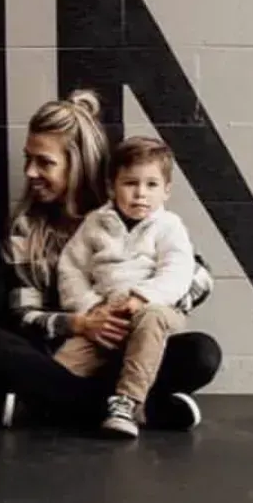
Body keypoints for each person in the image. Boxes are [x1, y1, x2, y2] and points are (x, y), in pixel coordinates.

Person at [0, 90, 221, 431]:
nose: (30, 172)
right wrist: (83, 321)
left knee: (202, 353)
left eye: (45, 162)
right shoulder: (27, 227)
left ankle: (53, 406)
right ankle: (131, 408)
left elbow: (197, 277)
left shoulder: (134, 206)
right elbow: (23, 315)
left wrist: (136, 308)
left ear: (76, 163)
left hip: (136, 340)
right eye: (28, 160)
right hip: (70, 348)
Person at [54, 136, 197, 438]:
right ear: (112, 187)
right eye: (130, 183)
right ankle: (51, 402)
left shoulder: (169, 226)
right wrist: (91, 307)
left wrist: (142, 297)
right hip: (107, 314)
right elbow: (71, 269)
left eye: (151, 185)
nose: (140, 194)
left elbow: (178, 270)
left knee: (153, 319)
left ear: (167, 191)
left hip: (154, 312)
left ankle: (127, 403)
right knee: (61, 368)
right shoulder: (95, 223)